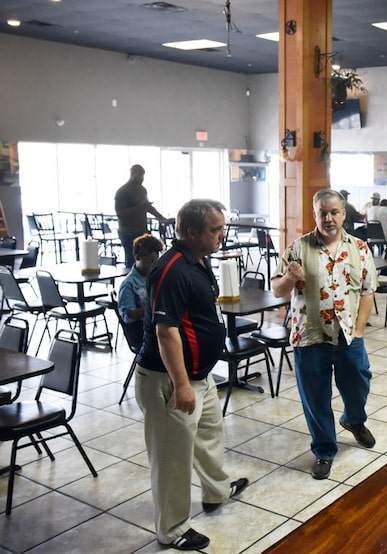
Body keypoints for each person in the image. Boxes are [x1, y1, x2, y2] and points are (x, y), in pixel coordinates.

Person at [134, 199, 248, 551]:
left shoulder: (197, 262)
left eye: (221, 227)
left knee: (209, 433)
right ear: (190, 232)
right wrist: (182, 385)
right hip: (168, 381)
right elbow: (165, 332)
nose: (221, 234)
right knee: (172, 458)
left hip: (199, 376)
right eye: (215, 229)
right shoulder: (171, 270)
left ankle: (216, 490)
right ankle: (172, 529)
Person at [271, 189, 377, 480]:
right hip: (309, 337)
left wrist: (360, 328)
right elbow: (277, 290)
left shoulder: (359, 248)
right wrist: (291, 277)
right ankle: (324, 450)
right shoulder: (297, 247)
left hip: (348, 336)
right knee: (315, 397)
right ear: (314, 214)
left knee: (359, 383)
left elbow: (367, 292)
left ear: (343, 214)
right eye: (322, 213)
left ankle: (354, 420)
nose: (328, 218)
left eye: (334, 212)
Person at [114, 164, 174, 267]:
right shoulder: (122, 192)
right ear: (132, 174)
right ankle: (131, 282)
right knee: (131, 261)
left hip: (142, 231)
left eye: (142, 175)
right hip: (128, 232)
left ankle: (145, 282)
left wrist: (162, 219)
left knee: (146, 261)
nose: (141, 178)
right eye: (139, 175)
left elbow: (148, 207)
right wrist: (139, 207)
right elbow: (120, 214)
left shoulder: (142, 190)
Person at [117, 233, 163, 348]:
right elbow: (128, 315)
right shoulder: (128, 284)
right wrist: (154, 308)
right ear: (137, 257)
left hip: (156, 327)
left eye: (156, 262)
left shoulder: (158, 278)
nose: (153, 266)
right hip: (140, 332)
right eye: (149, 262)